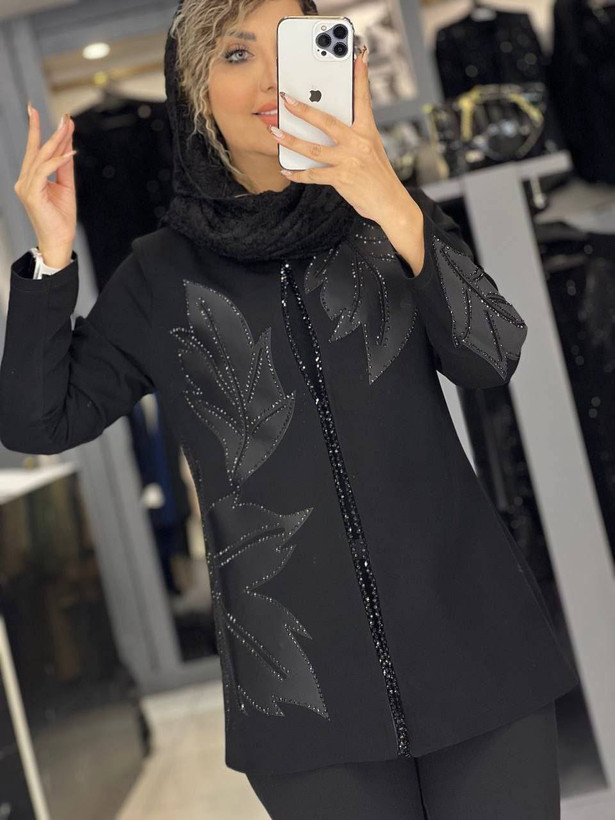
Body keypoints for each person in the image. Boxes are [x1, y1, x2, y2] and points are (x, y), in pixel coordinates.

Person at [1, 0, 580, 817]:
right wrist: (53, 258)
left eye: (293, 48)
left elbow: (491, 356)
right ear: (195, 89)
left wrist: (389, 198)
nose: (272, 79)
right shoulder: (158, 277)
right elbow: (38, 421)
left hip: (475, 646)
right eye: (237, 55)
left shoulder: (386, 218)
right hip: (302, 704)